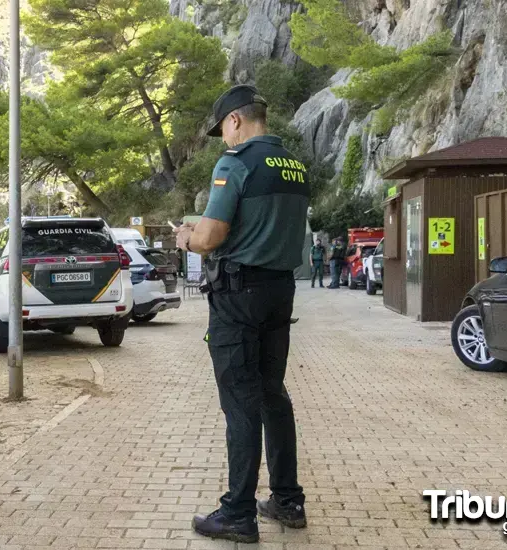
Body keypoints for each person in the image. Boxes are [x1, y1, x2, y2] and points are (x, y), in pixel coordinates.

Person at [174, 84, 308, 544]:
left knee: (241, 402)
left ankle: (237, 514)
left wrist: (188, 237)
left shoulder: (236, 162)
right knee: (274, 393)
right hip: (280, 291)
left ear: (235, 121)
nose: (224, 140)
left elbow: (211, 237)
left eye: (223, 131)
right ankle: (288, 501)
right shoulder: (294, 166)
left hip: (237, 297)